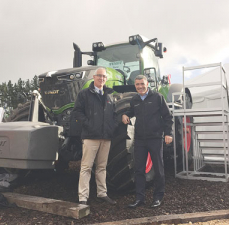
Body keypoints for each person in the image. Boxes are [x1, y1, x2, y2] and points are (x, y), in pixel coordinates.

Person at [122, 75, 173, 208]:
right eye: (137, 84)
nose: (140, 86)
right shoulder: (135, 99)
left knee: (158, 169)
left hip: (155, 138)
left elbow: (168, 117)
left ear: (147, 84)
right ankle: (140, 198)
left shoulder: (157, 98)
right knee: (139, 170)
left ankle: (158, 197)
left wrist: (168, 133)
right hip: (140, 140)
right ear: (135, 86)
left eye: (142, 84)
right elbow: (132, 111)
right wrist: (125, 114)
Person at [73, 67, 117, 205]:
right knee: (86, 167)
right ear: (94, 77)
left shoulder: (110, 95)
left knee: (102, 167)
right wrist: (89, 125)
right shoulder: (84, 94)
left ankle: (102, 194)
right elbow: (77, 113)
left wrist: (111, 127)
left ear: (106, 79)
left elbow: (115, 114)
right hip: (90, 137)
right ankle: (83, 197)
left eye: (104, 77)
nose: (102, 79)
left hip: (105, 137)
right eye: (99, 76)